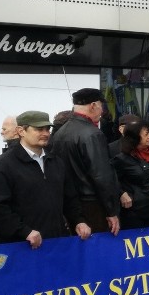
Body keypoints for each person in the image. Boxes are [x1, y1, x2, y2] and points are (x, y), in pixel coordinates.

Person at [0, 111, 90, 247]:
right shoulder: (1, 166)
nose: (46, 133)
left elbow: (69, 197)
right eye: (39, 129)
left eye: (47, 129)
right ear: (21, 131)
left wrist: (78, 221)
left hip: (55, 242)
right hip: (20, 246)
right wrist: (24, 232)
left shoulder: (56, 162)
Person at [49, 88, 121, 235]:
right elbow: (101, 176)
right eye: (101, 106)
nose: (102, 111)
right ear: (93, 105)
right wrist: (111, 211)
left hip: (70, 206)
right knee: (98, 252)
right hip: (93, 206)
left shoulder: (60, 133)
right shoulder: (92, 134)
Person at [111, 121, 149, 229]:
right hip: (135, 214)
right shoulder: (122, 159)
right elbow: (111, 180)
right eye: (146, 134)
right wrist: (122, 193)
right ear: (135, 137)